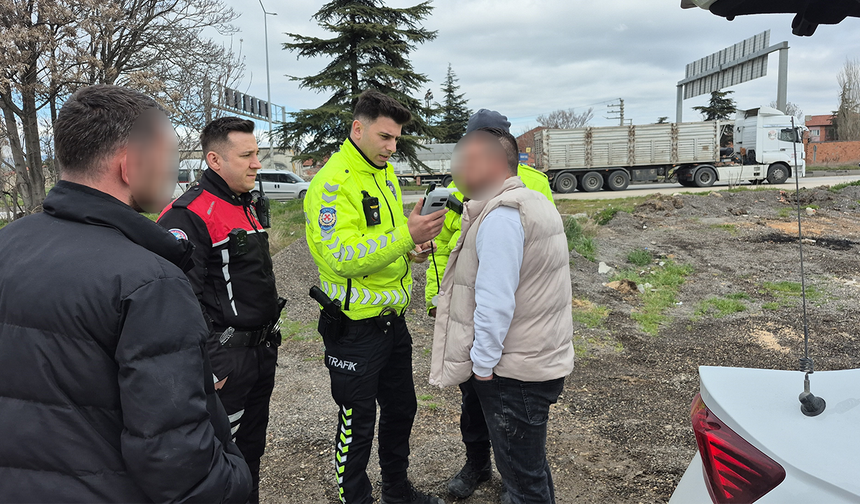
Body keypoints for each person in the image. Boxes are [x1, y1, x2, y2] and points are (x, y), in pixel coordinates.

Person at [0, 84, 252, 502]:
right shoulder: (149, 281)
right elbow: (179, 462)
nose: (174, 175)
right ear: (130, 166)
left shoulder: (8, 244)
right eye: (169, 158)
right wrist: (234, 480)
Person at [305, 89, 447, 504]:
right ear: (357, 128)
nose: (392, 147)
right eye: (385, 136)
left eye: (397, 139)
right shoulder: (331, 185)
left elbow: (381, 239)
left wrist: (414, 249)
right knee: (357, 420)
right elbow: (341, 255)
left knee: (402, 410)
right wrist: (406, 235)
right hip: (354, 329)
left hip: (392, 321)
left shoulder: (381, 172)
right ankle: (356, 498)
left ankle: (398, 492)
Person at [429, 128, 575, 504]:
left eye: (465, 162)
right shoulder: (532, 202)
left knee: (522, 480)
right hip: (537, 359)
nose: (456, 172)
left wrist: (482, 366)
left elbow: (495, 302)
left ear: (492, 164)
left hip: (514, 372)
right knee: (531, 465)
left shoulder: (500, 218)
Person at [158, 116, 282, 504]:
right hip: (225, 365)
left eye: (256, 153)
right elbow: (177, 299)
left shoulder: (246, 203)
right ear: (214, 160)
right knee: (218, 462)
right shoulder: (187, 214)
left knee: (250, 453)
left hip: (260, 354)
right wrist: (212, 365)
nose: (256, 163)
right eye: (246, 155)